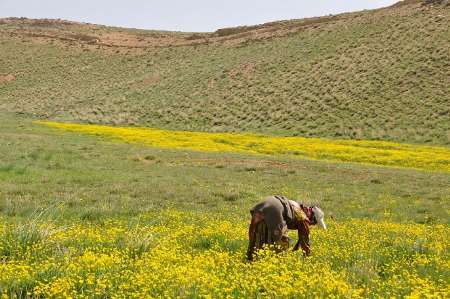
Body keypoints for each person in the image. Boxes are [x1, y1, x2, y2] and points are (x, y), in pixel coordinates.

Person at [246, 195, 326, 260]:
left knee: (258, 234)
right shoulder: (303, 217)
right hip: (275, 210)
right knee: (282, 242)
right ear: (312, 217)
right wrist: (308, 256)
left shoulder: (295, 206)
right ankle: (276, 263)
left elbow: (253, 227)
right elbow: (304, 239)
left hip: (263, 204)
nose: (311, 224)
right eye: (313, 223)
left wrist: (251, 234)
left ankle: (251, 259)